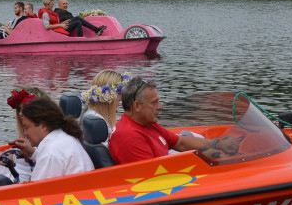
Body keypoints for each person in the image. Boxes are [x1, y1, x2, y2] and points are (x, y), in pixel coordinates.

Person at [109, 77, 241, 164]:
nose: (160, 107)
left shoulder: (147, 124)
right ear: (137, 106)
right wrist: (202, 158)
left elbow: (180, 143)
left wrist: (217, 144)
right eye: (154, 103)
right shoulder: (129, 136)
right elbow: (152, 176)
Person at [18, 97, 95, 180]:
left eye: (27, 127)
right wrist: (32, 154)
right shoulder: (64, 136)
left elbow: (36, 190)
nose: (25, 133)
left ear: (43, 126)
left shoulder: (51, 152)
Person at [79, 69, 130, 147]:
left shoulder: (90, 114)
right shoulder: (99, 124)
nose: (121, 98)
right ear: (108, 95)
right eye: (119, 93)